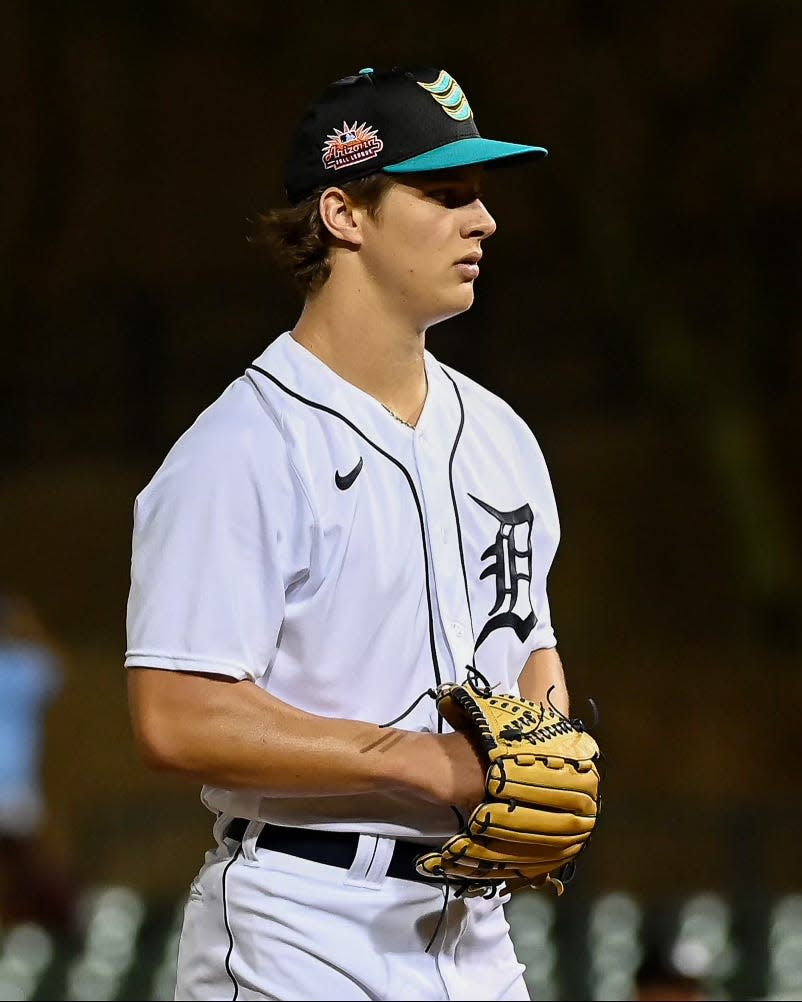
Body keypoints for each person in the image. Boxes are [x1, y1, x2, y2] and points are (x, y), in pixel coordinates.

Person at [125, 65, 568, 1001]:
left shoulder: (501, 437)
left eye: (479, 198)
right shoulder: (243, 447)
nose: (481, 220)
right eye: (444, 194)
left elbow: (530, 643)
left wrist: (551, 739)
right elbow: (175, 711)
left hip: (478, 935)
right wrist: (417, 760)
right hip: (302, 925)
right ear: (344, 213)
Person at [0, 590, 77, 938]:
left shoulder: (23, 667)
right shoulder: (26, 665)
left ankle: (59, 925)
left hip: (13, 789)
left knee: (26, 867)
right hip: (15, 789)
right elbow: (56, 665)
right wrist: (26, 623)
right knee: (26, 867)